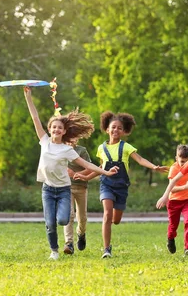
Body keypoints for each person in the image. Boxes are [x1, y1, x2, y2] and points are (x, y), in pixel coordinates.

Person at [23, 87, 119, 260]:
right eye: (54, 127)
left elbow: (86, 164)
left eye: (60, 128)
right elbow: (35, 118)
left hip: (63, 190)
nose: (57, 130)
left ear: (64, 131)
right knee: (50, 224)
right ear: (50, 129)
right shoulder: (44, 141)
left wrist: (106, 171)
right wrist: (28, 97)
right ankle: (54, 250)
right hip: (47, 189)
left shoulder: (67, 149)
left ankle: (75, 236)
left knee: (62, 220)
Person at [74, 111, 169, 259]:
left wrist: (154, 167)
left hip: (121, 187)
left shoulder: (126, 147)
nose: (116, 130)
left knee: (115, 220)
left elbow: (140, 159)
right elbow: (100, 169)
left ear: (124, 131)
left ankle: (110, 223)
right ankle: (106, 249)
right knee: (107, 214)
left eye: (119, 128)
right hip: (106, 185)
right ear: (107, 129)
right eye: (113, 127)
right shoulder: (101, 148)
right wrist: (85, 176)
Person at [156, 144, 188, 256]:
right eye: (182, 161)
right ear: (176, 158)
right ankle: (170, 238)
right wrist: (185, 187)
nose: (184, 164)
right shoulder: (174, 169)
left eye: (186, 162)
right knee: (173, 226)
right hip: (174, 201)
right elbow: (171, 189)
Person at [63, 143, 91, 255]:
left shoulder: (81, 151)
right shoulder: (61, 149)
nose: (71, 140)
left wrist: (75, 174)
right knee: (69, 215)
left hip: (81, 187)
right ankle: (69, 243)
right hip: (66, 187)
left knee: (82, 217)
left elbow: (89, 168)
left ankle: (81, 233)